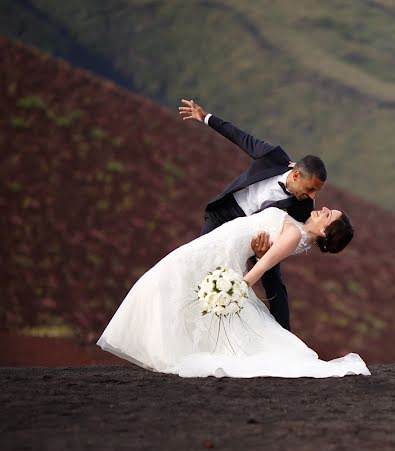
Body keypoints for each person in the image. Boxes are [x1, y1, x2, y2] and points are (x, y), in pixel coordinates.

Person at [96, 128, 367, 377]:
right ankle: (172, 345)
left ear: (324, 232)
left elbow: (265, 266)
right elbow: (246, 142)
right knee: (168, 279)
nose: (320, 206)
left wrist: (233, 290)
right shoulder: (298, 217)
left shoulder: (296, 231)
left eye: (328, 215)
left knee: (168, 279)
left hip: (222, 250)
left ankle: (171, 349)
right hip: (218, 242)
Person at [181, 98, 325, 332]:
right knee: (198, 262)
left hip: (259, 237)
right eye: (311, 189)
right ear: (296, 175)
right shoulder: (273, 157)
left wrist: (261, 255)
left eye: (317, 192)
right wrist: (205, 117)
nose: (312, 196)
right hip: (224, 214)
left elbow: (287, 240)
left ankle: (286, 340)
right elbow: (241, 138)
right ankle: (194, 320)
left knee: (275, 282)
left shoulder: (303, 208)